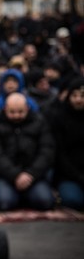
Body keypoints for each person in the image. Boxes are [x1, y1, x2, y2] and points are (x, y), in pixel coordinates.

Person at [0, 93, 55, 211]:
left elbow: (47, 151)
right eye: (12, 112)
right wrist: (15, 175)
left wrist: (31, 174)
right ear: (5, 109)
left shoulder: (39, 122)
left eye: (20, 112)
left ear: (27, 109)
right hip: (5, 175)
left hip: (33, 175)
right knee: (5, 203)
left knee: (45, 202)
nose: (16, 115)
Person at [46, 77, 84, 210]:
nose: (78, 99)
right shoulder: (59, 118)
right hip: (67, 174)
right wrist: (78, 176)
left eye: (82, 96)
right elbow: (59, 154)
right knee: (74, 201)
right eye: (74, 95)